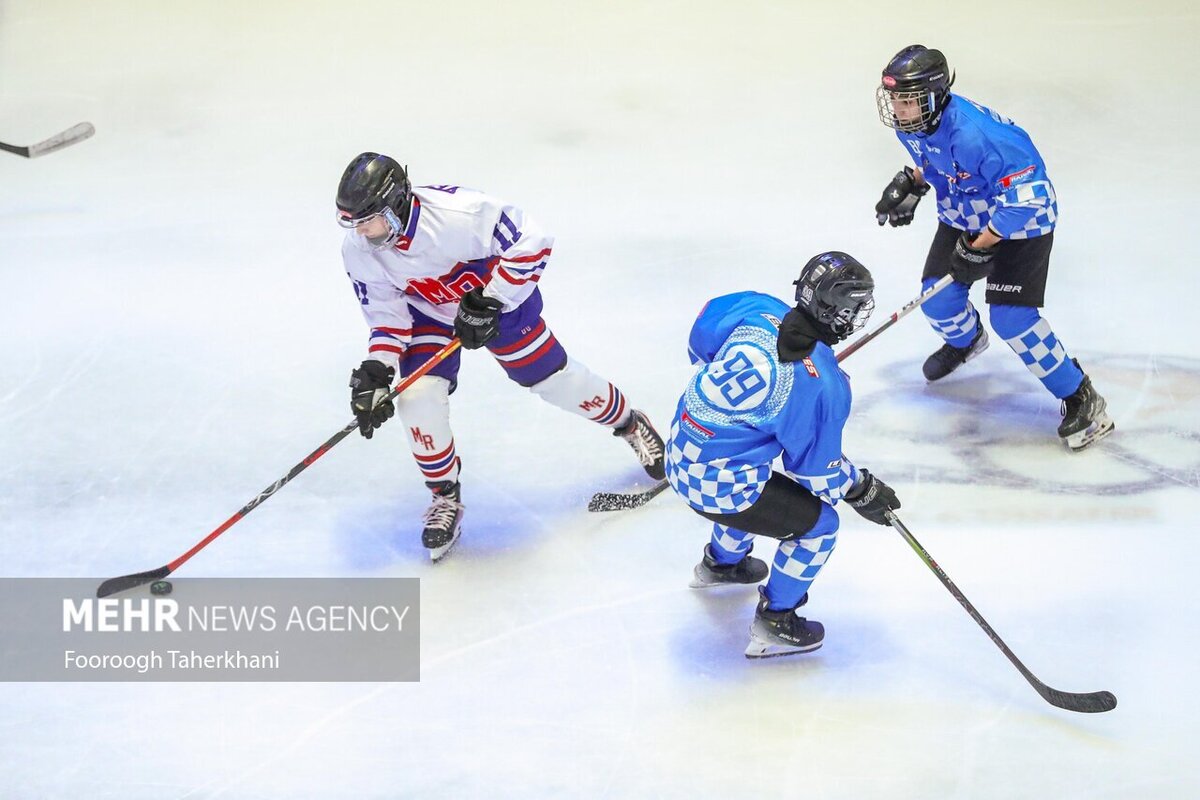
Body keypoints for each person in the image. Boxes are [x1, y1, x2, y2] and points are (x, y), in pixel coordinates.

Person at [336, 153, 665, 560]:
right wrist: (377, 370)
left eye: (367, 219)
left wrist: (491, 299)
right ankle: (445, 497)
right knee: (416, 399)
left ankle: (630, 423)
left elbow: (534, 239)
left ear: (396, 204)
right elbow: (387, 318)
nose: (361, 232)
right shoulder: (360, 249)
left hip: (498, 301)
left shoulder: (460, 214)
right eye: (352, 222)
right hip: (430, 313)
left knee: (555, 381)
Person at [874, 45, 1114, 451]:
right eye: (895, 98)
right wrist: (914, 184)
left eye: (907, 100)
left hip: (1021, 222)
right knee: (938, 299)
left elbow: (1029, 195)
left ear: (933, 98)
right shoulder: (913, 124)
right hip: (964, 213)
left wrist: (982, 245)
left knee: (1012, 319)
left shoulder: (980, 137)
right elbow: (936, 157)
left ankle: (1080, 396)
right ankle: (967, 340)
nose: (898, 108)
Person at [666, 252, 902, 658]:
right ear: (834, 310)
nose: (858, 314)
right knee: (820, 526)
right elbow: (817, 473)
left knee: (757, 481)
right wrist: (862, 487)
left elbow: (700, 339)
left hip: (680, 448)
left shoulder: (756, 307)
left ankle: (721, 564)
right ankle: (777, 621)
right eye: (854, 306)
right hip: (716, 486)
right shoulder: (822, 385)